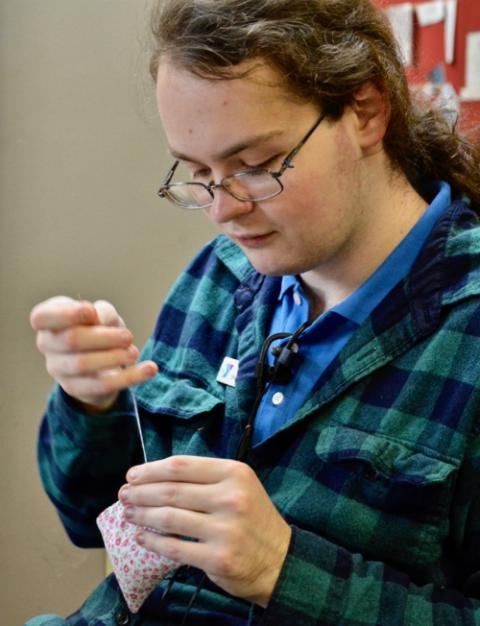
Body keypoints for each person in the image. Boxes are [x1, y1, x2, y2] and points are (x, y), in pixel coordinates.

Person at [27, 0, 480, 624]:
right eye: (197, 173)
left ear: (366, 111)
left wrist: (283, 568)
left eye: (257, 166)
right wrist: (89, 404)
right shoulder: (220, 275)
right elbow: (90, 518)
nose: (223, 209)